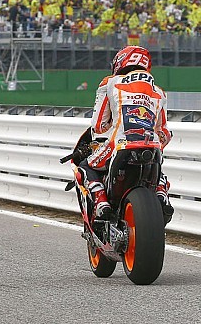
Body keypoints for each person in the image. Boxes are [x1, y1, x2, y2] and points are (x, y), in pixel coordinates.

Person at [74, 46, 174, 222]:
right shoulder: (159, 92)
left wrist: (112, 127)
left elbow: (98, 125)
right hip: (152, 146)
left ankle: (101, 202)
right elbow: (163, 132)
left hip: (120, 144)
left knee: (85, 166)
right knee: (158, 169)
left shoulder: (109, 83)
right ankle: (161, 194)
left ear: (120, 62)